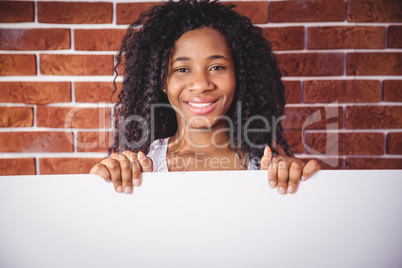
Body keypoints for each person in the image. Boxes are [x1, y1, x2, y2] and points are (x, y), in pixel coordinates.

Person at [90, 0, 321, 195]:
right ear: (161, 82)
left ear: (239, 75)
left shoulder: (268, 166)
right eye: (181, 70)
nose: (201, 85)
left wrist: (302, 185)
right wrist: (102, 185)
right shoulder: (138, 167)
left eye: (217, 67)